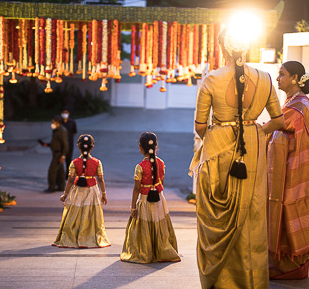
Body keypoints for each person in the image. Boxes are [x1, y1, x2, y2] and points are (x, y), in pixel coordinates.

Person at [189, 28, 284, 289]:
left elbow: (199, 126)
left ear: (223, 48)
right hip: (252, 149)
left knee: (213, 215)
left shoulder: (211, 80)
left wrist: (222, 133)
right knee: (252, 214)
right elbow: (279, 120)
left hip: (218, 148)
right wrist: (253, 132)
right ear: (247, 48)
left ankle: (220, 281)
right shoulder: (265, 78)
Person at [267, 61, 309, 279]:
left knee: (290, 209)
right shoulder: (293, 103)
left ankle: (291, 266)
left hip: (296, 172)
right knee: (279, 210)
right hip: (286, 169)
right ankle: (279, 263)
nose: (278, 78)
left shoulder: (300, 106)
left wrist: (257, 134)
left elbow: (273, 128)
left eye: (282, 74)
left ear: (294, 78)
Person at [120, 132, 180, 264]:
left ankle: (146, 252)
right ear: (156, 146)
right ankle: (161, 251)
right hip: (159, 198)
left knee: (145, 226)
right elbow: (161, 182)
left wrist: (133, 207)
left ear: (140, 148)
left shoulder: (140, 167)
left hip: (145, 199)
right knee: (159, 224)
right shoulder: (161, 163)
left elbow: (136, 188)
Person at [52, 134, 110, 248]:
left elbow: (70, 179)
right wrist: (103, 194)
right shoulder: (97, 162)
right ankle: (89, 238)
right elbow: (101, 179)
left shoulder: (74, 162)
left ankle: (72, 236)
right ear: (92, 147)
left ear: (78, 146)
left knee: (75, 214)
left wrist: (65, 194)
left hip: (77, 191)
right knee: (91, 215)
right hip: (92, 191)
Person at [42, 116, 69, 193]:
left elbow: (65, 144)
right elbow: (56, 143)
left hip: (59, 153)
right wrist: (47, 145)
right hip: (56, 152)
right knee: (60, 171)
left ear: (58, 122)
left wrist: (63, 155)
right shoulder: (56, 130)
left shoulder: (62, 131)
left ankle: (51, 187)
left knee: (52, 171)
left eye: (53, 122)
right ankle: (61, 186)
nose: (52, 124)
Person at [61, 107, 77, 178]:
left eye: (66, 113)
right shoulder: (60, 122)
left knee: (68, 159)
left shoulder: (72, 122)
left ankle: (68, 175)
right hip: (61, 143)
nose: (65, 114)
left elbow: (74, 132)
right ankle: (60, 175)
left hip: (69, 143)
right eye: (64, 113)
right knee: (60, 159)